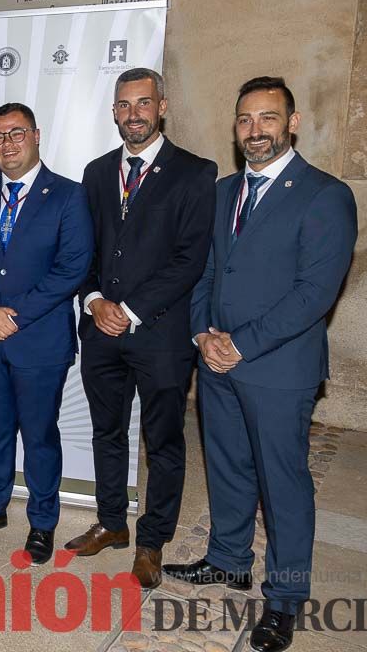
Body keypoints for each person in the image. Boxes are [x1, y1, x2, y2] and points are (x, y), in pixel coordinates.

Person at [163, 77, 357, 652]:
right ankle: (226, 560)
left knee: (284, 484)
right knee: (226, 468)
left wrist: (241, 343)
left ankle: (285, 598)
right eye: (246, 119)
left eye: (268, 118)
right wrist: (201, 333)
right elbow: (204, 271)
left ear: (292, 123)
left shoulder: (324, 194)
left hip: (278, 367)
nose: (256, 130)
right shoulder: (222, 192)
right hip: (217, 359)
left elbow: (315, 292)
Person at [63, 69, 216, 589]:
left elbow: (190, 259)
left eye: (143, 103)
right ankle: (111, 523)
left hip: (161, 335)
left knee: (163, 441)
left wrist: (126, 308)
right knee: (107, 432)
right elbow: (84, 251)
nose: (134, 114)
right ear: (114, 111)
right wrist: (94, 299)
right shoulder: (97, 172)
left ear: (162, 107)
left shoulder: (196, 173)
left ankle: (151, 541)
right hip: (101, 332)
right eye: (124, 105)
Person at [0, 103, 93, 563]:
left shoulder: (68, 196)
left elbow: (73, 267)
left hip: (40, 341)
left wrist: (14, 315)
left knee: (39, 435)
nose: (7, 144)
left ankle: (43, 522)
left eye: (16, 134)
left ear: (35, 136)